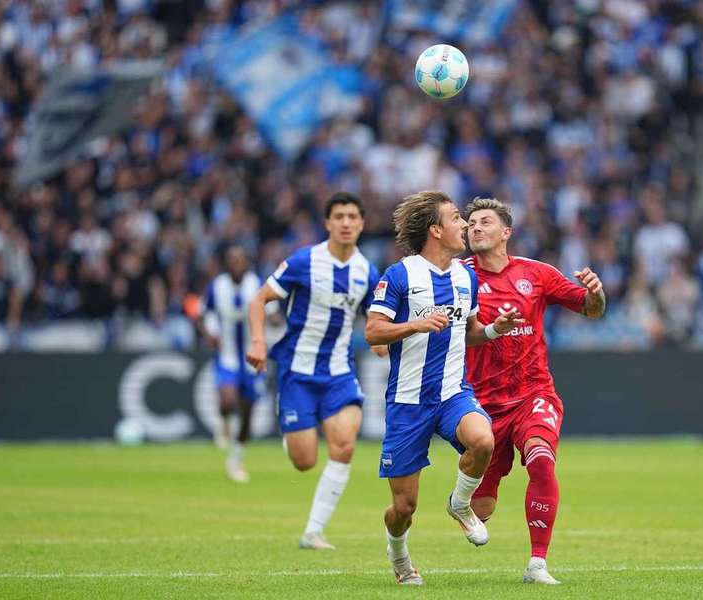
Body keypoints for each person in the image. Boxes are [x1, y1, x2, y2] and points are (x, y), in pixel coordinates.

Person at [365, 190, 524, 586]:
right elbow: (373, 330)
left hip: (453, 393)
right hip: (408, 401)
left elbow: (467, 332)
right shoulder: (400, 275)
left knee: (483, 441)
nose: (465, 224)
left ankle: (459, 503)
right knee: (404, 507)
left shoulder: (464, 275)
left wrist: (492, 330)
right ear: (435, 230)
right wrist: (414, 325)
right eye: (456, 218)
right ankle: (399, 554)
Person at [463, 198, 606, 584]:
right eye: (471, 223)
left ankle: (537, 564)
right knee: (482, 506)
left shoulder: (537, 274)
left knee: (542, 460)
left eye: (484, 222)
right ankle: (460, 502)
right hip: (482, 404)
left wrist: (594, 293)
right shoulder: (458, 278)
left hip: (533, 394)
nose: (475, 228)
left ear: (505, 232)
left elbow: (591, 309)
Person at [246, 192, 383, 549]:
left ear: (362, 224)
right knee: (304, 461)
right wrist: (259, 343)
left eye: (353, 216)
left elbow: (375, 320)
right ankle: (292, 431)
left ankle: (313, 531)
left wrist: (382, 342)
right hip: (297, 371)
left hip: (339, 372)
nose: (346, 223)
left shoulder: (367, 271)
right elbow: (259, 299)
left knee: (344, 446)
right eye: (339, 216)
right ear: (327, 223)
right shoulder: (304, 261)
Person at [200, 245, 265, 483]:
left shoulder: (256, 283)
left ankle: (236, 459)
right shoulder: (217, 286)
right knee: (227, 400)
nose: (237, 264)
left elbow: (272, 309)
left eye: (241, 260)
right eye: (232, 260)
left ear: (247, 262)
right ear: (226, 263)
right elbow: (202, 313)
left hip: (252, 357)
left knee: (248, 413)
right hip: (227, 355)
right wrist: (210, 333)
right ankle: (224, 421)